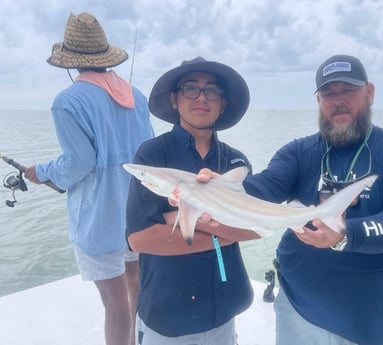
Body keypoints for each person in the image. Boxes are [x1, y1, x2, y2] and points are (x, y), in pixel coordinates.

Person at [197, 54, 383, 345]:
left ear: (369, 93)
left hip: (370, 320)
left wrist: (346, 234)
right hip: (298, 310)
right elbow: (265, 187)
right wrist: (219, 191)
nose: (338, 100)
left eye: (347, 90)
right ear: (318, 100)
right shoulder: (300, 152)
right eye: (328, 93)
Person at [24, 12, 154, 345]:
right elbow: (148, 154)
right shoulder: (137, 95)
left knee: (114, 303)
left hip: (100, 220)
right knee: (135, 286)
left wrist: (40, 172)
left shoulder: (67, 101)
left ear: (70, 62)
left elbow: (78, 164)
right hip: (138, 214)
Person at [125, 57, 260, 345]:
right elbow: (140, 238)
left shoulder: (236, 162)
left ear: (222, 103)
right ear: (174, 99)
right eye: (190, 89)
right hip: (167, 313)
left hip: (224, 306)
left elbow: (256, 229)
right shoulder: (151, 157)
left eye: (212, 90)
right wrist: (224, 227)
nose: (201, 97)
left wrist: (178, 218)